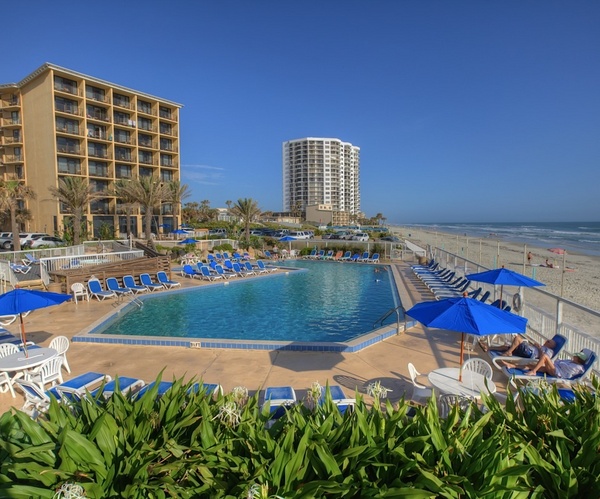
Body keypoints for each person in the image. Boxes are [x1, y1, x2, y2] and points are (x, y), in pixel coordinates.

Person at [480, 335, 556, 361]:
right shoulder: (543, 347)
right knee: (508, 346)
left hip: (530, 353)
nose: (546, 341)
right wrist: (535, 345)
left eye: (548, 341)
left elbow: (544, 358)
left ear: (551, 346)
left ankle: (509, 352)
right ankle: (488, 348)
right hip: (528, 349)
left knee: (517, 338)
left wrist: (539, 348)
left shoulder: (550, 351)